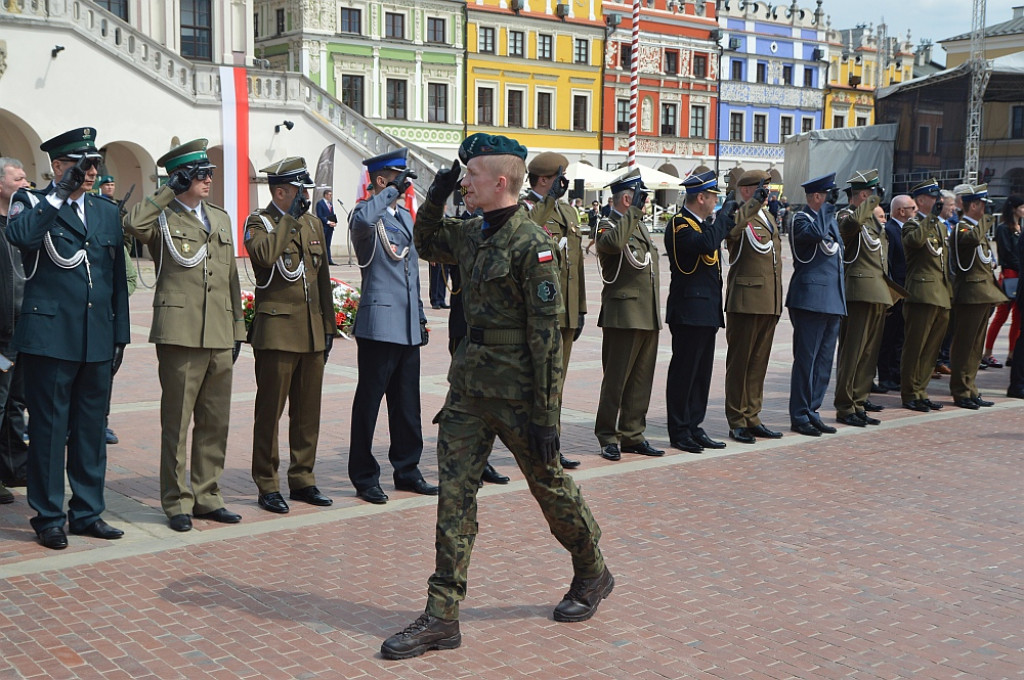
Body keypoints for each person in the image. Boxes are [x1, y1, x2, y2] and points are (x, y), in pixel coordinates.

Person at [380, 133, 609, 660]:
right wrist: (435, 193)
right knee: (454, 499)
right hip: (468, 391)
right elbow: (424, 240)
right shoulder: (470, 233)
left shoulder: (534, 244)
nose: (465, 181)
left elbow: (547, 339)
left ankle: (592, 570)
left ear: (500, 181)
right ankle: (442, 616)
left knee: (549, 487)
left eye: (471, 175)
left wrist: (548, 416)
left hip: (519, 395)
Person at [7, 127, 130, 549]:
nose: (91, 171)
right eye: (82, 164)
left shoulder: (105, 211)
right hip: (50, 336)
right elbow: (20, 237)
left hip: (95, 336)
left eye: (94, 163)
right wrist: (59, 193)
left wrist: (121, 336)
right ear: (58, 166)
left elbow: (116, 280)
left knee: (91, 431)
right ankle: (48, 517)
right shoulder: (33, 202)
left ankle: (87, 512)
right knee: (49, 429)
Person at [123, 138, 246, 533]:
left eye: (209, 172)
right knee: (176, 423)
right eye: (200, 173)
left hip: (218, 333)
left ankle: (208, 495)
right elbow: (131, 225)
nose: (209, 178)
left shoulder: (220, 218)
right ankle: (176, 500)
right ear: (182, 177)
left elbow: (230, 278)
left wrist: (238, 329)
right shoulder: (162, 216)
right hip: (180, 333)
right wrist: (166, 191)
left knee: (215, 421)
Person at [245, 157, 337, 514]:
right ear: (281, 191)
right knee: (270, 413)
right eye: (300, 190)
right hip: (277, 332)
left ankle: (303, 478)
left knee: (307, 413)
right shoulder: (259, 223)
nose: (306, 197)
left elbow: (323, 280)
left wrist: (328, 327)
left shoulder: (312, 223)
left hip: (312, 331)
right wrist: (288, 219)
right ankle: (267, 483)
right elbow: (266, 257)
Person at [347, 148, 437, 504]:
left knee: (406, 404)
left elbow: (411, 273)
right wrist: (386, 191)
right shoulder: (366, 215)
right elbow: (364, 222)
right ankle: (364, 475)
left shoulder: (403, 217)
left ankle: (408, 469)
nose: (406, 185)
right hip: (379, 325)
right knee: (368, 404)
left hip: (405, 326)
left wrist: (419, 316)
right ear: (382, 180)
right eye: (399, 179)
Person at [593, 168, 664, 461]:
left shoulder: (637, 225)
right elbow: (611, 246)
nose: (643, 203)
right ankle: (608, 435)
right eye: (639, 198)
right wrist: (633, 213)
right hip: (622, 314)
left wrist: (634, 215)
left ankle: (633, 433)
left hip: (646, 313)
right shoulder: (606, 224)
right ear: (626, 198)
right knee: (617, 380)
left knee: (640, 379)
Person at [523, 151, 585, 469]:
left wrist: (582, 308)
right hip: (541, 314)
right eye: (561, 178)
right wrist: (548, 201)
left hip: (566, 313)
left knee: (556, 386)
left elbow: (576, 265)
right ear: (545, 180)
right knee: (541, 385)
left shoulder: (569, 214)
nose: (565, 183)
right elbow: (523, 234)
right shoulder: (526, 210)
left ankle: (553, 447)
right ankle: (538, 448)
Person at [663, 171, 728, 452]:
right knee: (685, 373)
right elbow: (705, 244)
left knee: (702, 374)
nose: (716, 201)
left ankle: (694, 425)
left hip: (706, 310)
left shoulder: (703, 223)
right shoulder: (680, 224)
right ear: (700, 197)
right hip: (688, 309)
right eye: (713, 196)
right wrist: (724, 217)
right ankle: (679, 430)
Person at [723, 170, 783, 444]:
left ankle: (752, 415)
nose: (766, 193)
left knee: (758, 363)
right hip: (745, 300)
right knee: (740, 364)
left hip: (768, 300)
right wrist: (751, 205)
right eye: (762, 188)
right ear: (746, 190)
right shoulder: (738, 213)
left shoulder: (767, 217)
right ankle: (737, 419)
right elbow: (731, 232)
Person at [786, 174, 845, 437]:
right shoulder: (801, 219)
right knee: (806, 361)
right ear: (817, 197)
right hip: (810, 301)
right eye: (829, 195)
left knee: (823, 362)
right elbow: (816, 235)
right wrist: (828, 209)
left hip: (832, 300)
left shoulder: (828, 220)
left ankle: (813, 410)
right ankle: (799, 414)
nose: (833, 200)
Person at [834, 170, 893, 427]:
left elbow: (881, 259)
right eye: (873, 195)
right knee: (853, 351)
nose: (877, 200)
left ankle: (859, 400)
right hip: (857, 291)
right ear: (864, 195)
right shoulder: (846, 215)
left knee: (868, 353)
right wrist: (867, 204)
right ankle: (846, 405)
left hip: (878, 291)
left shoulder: (872, 222)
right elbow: (848, 230)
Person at [948, 184, 1008, 409]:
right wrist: (985, 221)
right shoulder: (962, 228)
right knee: (965, 344)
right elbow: (970, 240)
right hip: (969, 294)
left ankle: (970, 387)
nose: (986, 210)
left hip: (982, 293)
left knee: (976, 346)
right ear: (973, 205)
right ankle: (961, 390)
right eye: (982, 205)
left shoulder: (975, 228)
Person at [900, 178, 950, 412]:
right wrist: (930, 218)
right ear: (921, 201)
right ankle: (910, 392)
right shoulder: (912, 224)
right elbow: (916, 242)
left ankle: (921, 390)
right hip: (921, 293)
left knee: (931, 348)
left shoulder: (939, 226)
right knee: (915, 346)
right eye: (933, 197)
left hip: (940, 293)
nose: (938, 201)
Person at [0, 156, 30, 504]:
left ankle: (13, 466)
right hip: (1, 334)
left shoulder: (24, 223)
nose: (25, 184)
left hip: (24, 330)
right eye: (19, 178)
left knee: (15, 401)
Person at [877, 194, 914, 392]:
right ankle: (885, 375)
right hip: (896, 291)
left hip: (906, 290)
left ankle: (895, 372)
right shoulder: (890, 231)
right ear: (901, 211)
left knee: (900, 335)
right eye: (912, 209)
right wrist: (890, 294)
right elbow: (888, 265)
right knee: (888, 337)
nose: (914, 212)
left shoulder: (905, 231)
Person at [983, 195, 1022, 367]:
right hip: (1010, 274)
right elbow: (1006, 254)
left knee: (1018, 317)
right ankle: (988, 352)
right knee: (1001, 315)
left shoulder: (1020, 228)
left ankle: (1012, 354)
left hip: (1019, 274)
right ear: (1014, 208)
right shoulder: (1003, 228)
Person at [315, 189, 338, 265]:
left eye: (331, 195)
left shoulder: (330, 204)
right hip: (324, 226)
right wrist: (328, 222)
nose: (331, 196)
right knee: (323, 243)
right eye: (329, 195)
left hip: (330, 227)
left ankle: (329, 260)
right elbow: (320, 215)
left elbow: (332, 214)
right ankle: (322, 260)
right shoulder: (320, 204)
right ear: (325, 195)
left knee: (328, 244)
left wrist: (334, 222)